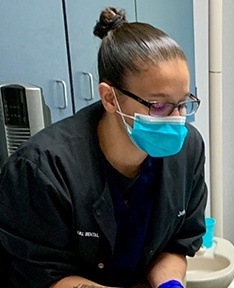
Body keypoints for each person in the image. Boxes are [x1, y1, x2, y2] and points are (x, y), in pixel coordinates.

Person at [0, 7, 207, 288]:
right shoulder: (42, 170)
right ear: (110, 98)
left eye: (183, 103)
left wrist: (169, 284)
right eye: (159, 106)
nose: (176, 119)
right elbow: (46, 275)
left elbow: (176, 244)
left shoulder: (188, 150)